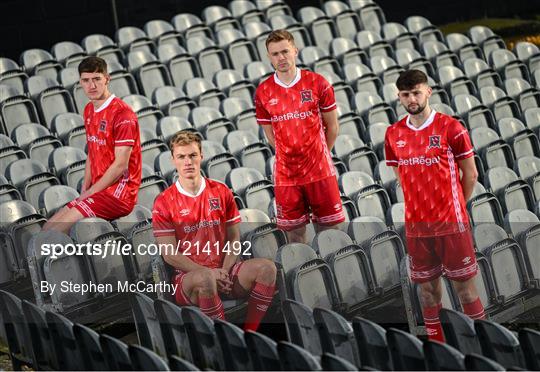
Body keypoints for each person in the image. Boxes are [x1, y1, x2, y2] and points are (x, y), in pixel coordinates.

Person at [385, 69, 485, 342]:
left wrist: (456, 208)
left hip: (451, 225)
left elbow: (471, 174)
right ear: (399, 97)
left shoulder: (451, 127)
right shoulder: (393, 133)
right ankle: (438, 348)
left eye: (416, 92)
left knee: (465, 291)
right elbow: (401, 177)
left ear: (428, 91)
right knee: (428, 292)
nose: (411, 99)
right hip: (418, 228)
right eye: (405, 95)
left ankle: (485, 347)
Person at [152, 130, 277, 331]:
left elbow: (234, 238)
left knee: (267, 269)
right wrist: (210, 273)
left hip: (225, 270)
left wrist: (224, 271)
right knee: (205, 279)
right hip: (189, 278)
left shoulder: (221, 191)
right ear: (173, 160)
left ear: (201, 156)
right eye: (181, 157)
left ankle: (250, 334)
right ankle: (224, 338)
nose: (188, 162)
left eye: (192, 155)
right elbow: (170, 255)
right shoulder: (164, 202)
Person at [254, 29, 345, 243]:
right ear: (269, 57)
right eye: (275, 54)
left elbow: (332, 127)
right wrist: (290, 157)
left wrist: (319, 155)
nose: (281, 57)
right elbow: (270, 135)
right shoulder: (263, 92)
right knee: (295, 234)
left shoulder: (318, 83)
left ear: (295, 51)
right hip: (287, 176)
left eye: (285, 51)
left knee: (331, 232)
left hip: (320, 171)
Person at [43, 56, 141, 233]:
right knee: (48, 228)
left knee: (57, 232)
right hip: (98, 192)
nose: (92, 86)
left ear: (107, 79)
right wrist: (85, 189)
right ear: (80, 82)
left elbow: (120, 166)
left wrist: (90, 193)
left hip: (119, 194)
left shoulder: (123, 115)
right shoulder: (89, 110)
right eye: (86, 81)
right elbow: (93, 152)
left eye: (96, 79)